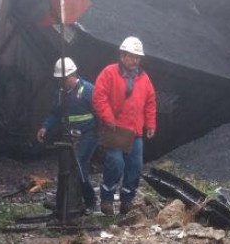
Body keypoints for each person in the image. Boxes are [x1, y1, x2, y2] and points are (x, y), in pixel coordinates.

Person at [93, 36, 157, 215]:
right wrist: (108, 118)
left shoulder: (144, 78)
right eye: (131, 56)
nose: (135, 60)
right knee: (116, 163)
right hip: (115, 130)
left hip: (135, 131)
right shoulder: (109, 72)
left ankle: (127, 201)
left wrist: (150, 123)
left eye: (137, 57)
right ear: (122, 56)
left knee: (135, 167)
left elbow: (150, 101)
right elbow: (99, 96)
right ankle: (107, 199)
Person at [37, 57, 99, 214]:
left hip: (87, 135)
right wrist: (45, 127)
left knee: (78, 166)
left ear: (73, 75)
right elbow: (54, 113)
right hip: (68, 137)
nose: (62, 82)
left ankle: (90, 200)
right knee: (66, 167)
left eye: (64, 79)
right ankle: (66, 201)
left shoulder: (88, 90)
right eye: (60, 79)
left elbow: (100, 112)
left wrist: (103, 133)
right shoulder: (60, 94)